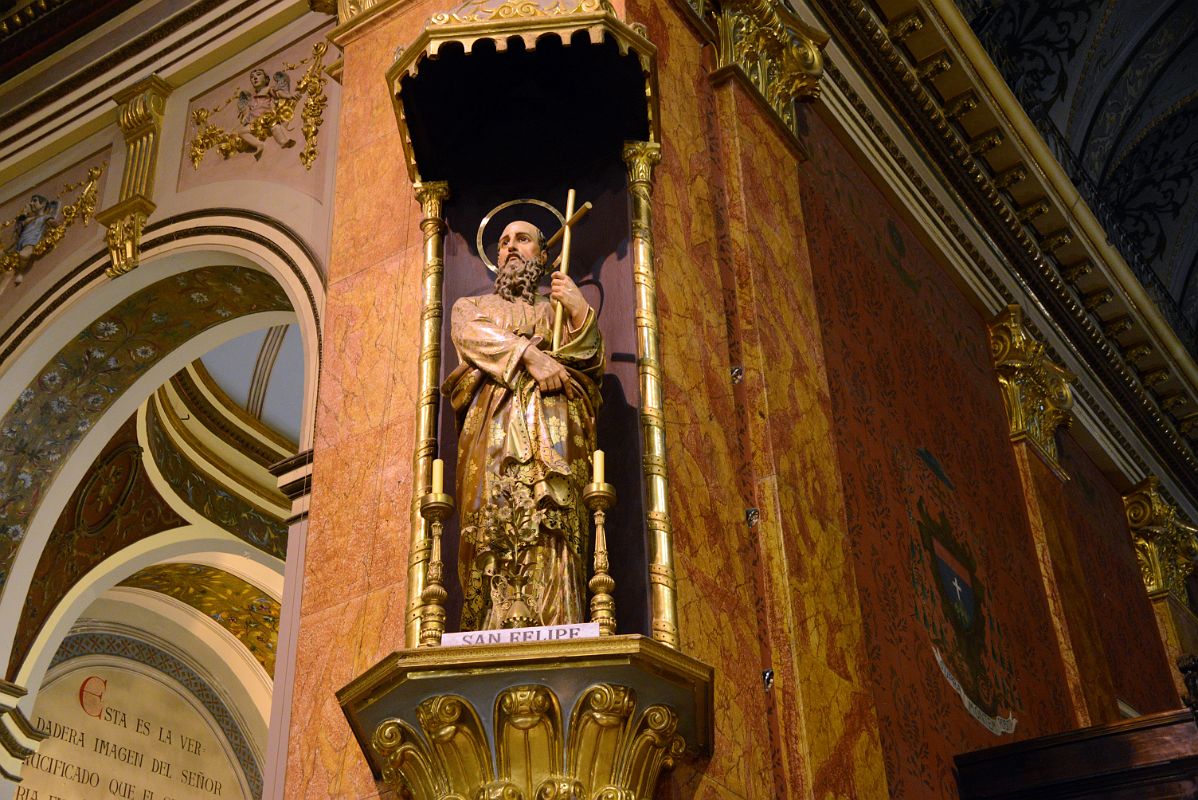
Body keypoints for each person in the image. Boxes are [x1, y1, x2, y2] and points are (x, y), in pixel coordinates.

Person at [443, 219, 604, 631]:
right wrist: (530, 356)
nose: (510, 247)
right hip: (492, 442)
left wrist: (579, 308)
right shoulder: (472, 306)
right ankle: (491, 626)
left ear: (543, 254)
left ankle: (559, 619)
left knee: (550, 524)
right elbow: (470, 335)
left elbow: (588, 366)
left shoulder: (557, 313)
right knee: (495, 528)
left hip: (553, 440)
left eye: (523, 239)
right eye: (503, 242)